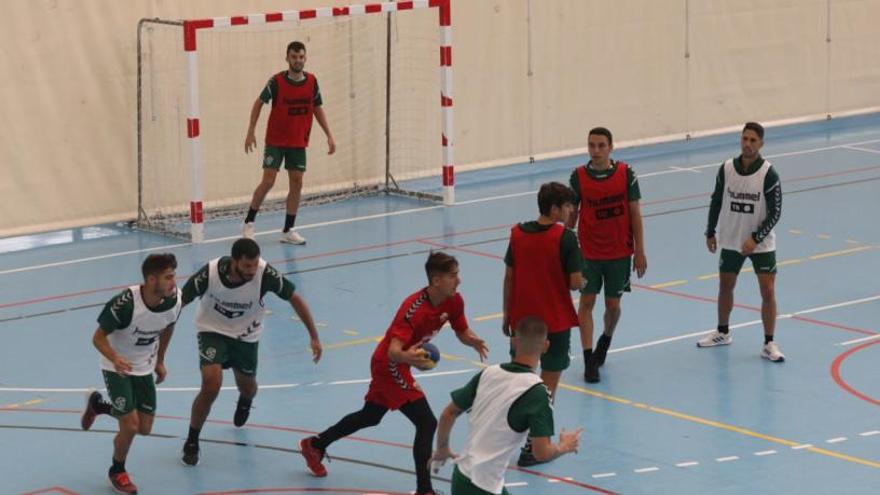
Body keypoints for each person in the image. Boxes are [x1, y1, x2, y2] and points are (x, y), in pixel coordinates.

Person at [299, 252, 488, 495]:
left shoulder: (454, 301)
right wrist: (408, 359)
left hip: (398, 364)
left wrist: (472, 341)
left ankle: (315, 444)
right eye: (453, 276)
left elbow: (461, 330)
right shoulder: (413, 309)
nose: (458, 280)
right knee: (427, 422)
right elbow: (393, 351)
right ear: (436, 280)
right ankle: (424, 490)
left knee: (371, 416)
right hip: (389, 364)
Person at [179, 237, 322, 466]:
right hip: (212, 330)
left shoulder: (265, 274)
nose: (252, 270)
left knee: (248, 386)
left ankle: (245, 400)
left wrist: (313, 335)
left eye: (255, 265)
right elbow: (180, 301)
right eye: (247, 266)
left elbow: (294, 298)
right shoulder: (211, 272)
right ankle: (192, 439)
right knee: (211, 384)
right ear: (234, 262)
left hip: (246, 335)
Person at [430, 316, 582, 495]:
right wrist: (564, 446)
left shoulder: (488, 373)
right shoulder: (538, 392)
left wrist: (442, 448)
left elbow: (448, 413)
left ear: (515, 342)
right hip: (485, 485)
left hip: (462, 476)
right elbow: (541, 452)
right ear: (546, 346)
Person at [80, 254, 182, 495]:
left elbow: (169, 326)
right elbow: (98, 337)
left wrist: (160, 360)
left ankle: (99, 406)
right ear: (151, 279)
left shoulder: (174, 300)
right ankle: (117, 470)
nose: (174, 281)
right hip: (117, 367)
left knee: (144, 428)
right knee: (131, 425)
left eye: (174, 275)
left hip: (144, 366)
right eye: (169, 277)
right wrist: (115, 358)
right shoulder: (125, 304)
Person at [502, 182, 583, 466]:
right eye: (567, 206)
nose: (571, 210)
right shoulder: (566, 238)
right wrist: (582, 279)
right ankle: (533, 447)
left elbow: (509, 277)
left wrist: (506, 315)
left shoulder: (517, 234)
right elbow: (575, 282)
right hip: (555, 321)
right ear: (554, 208)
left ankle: (502, 441)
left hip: (522, 321)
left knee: (519, 382)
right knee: (546, 389)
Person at [698, 122, 784, 362]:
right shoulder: (726, 168)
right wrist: (710, 231)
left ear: (761, 144)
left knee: (767, 291)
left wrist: (756, 238)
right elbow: (716, 201)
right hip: (732, 239)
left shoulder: (769, 173)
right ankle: (722, 332)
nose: (747, 144)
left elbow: (775, 211)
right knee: (725, 286)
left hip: (761, 244)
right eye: (744, 138)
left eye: (753, 140)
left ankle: (769, 342)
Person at [567, 127, 647, 383]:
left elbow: (635, 213)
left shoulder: (626, 174)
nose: (596, 150)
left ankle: (606, 338)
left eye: (601, 145)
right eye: (592, 145)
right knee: (586, 304)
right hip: (589, 254)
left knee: (613, 307)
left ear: (610, 147)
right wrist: (562, 246)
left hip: (619, 254)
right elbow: (572, 216)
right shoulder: (578, 177)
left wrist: (640, 251)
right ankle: (589, 359)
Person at [242, 40, 336, 245]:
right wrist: (251, 131)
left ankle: (288, 229)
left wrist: (329, 134)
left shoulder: (312, 81)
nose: (297, 60)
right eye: (294, 57)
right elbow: (258, 104)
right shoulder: (276, 82)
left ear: (305, 58)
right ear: (287, 58)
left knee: (297, 183)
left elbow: (317, 107)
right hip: (276, 140)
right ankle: (249, 222)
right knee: (268, 181)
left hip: (298, 142)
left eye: (301, 56)